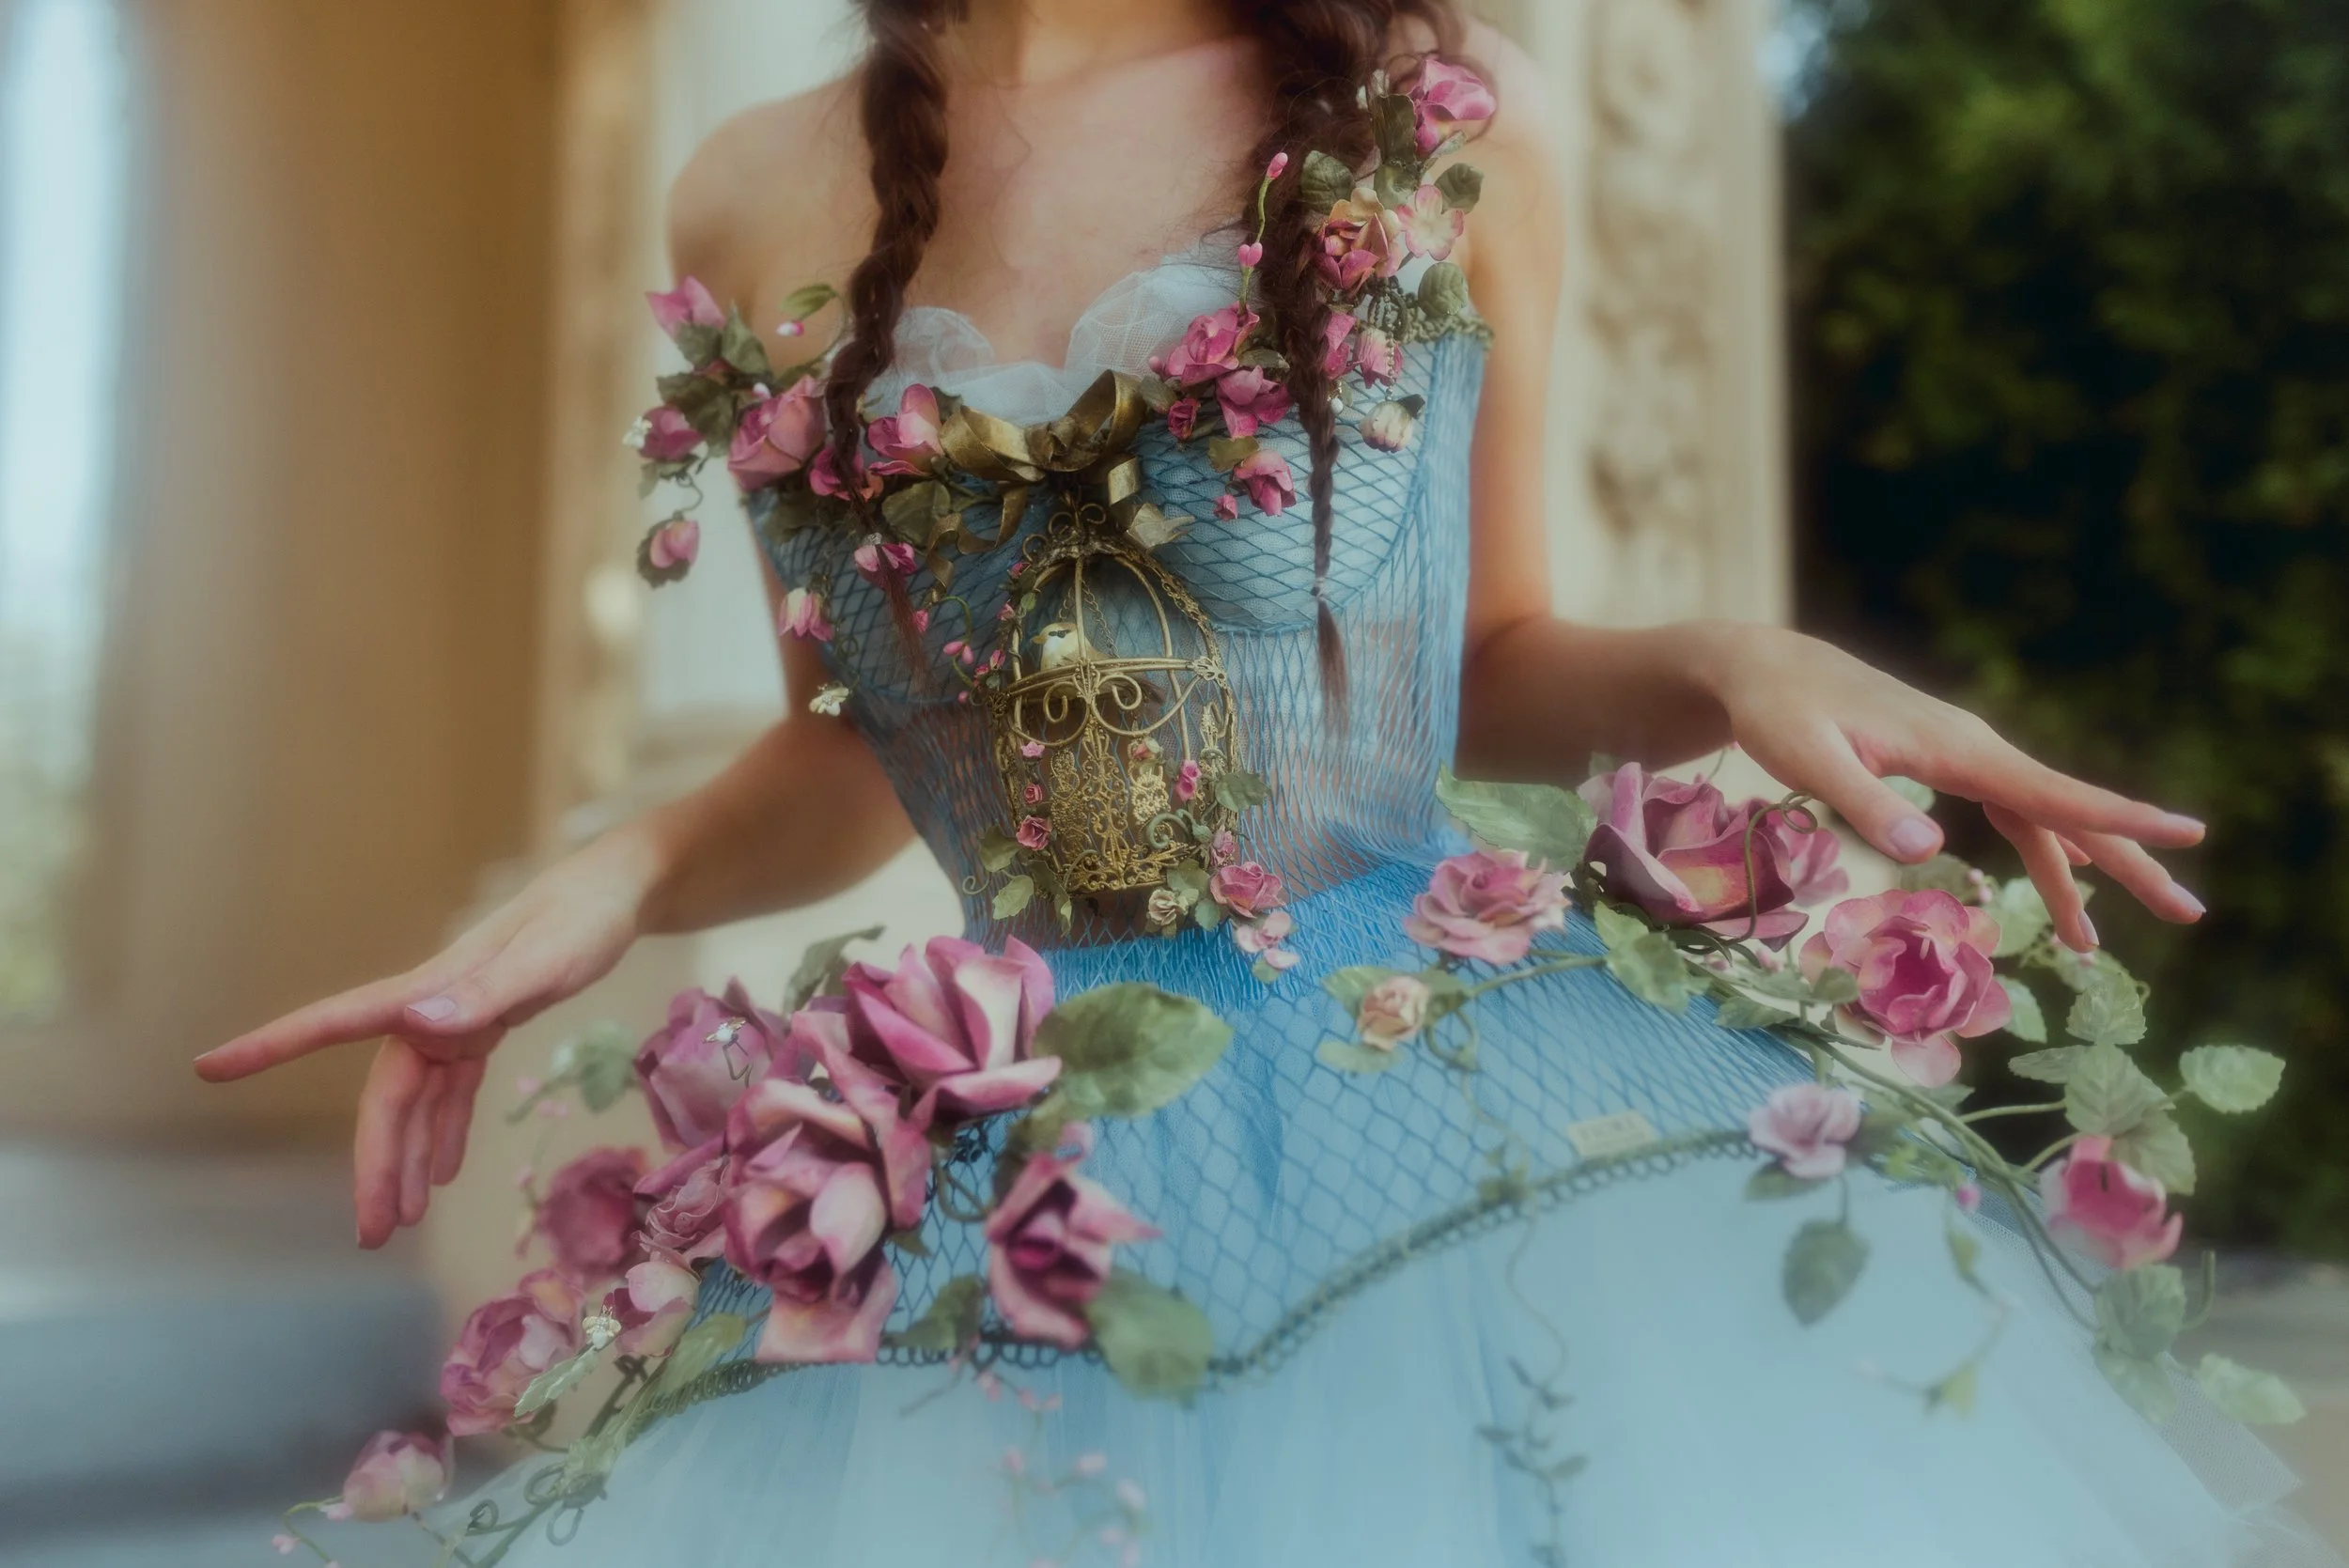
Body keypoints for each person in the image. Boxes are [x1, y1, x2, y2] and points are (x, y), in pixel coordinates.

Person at [196, 3, 2332, 1563]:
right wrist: (615, 872)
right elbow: (854, 741)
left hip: (1429, 1105)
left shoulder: (1433, 122)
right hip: (1006, 1144)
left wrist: (1727, 661)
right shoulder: (753, 185)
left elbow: (1478, 664)